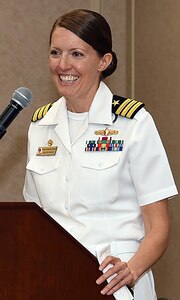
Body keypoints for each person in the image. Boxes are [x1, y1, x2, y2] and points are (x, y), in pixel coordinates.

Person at [23, 8, 178, 300]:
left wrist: (131, 271)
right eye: (55, 52)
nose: (63, 65)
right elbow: (34, 222)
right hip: (52, 279)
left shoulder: (133, 123)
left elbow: (159, 226)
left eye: (77, 54)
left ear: (103, 61)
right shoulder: (40, 125)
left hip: (117, 283)